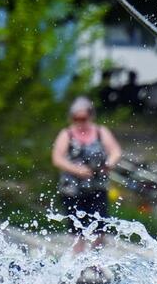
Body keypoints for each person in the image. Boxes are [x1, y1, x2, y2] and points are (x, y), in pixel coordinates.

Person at [52, 96, 122, 254]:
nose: (80, 122)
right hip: (73, 188)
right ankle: (79, 261)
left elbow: (115, 151)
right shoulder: (67, 134)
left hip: (97, 186)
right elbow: (57, 158)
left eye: (83, 118)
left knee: (100, 225)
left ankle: (96, 262)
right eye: (76, 118)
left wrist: (109, 164)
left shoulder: (100, 132)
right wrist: (77, 170)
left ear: (90, 116)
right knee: (77, 227)